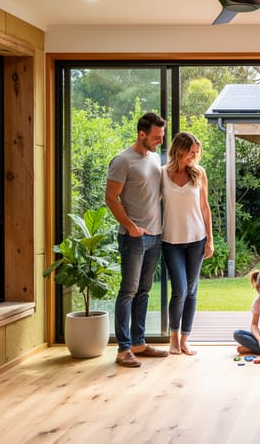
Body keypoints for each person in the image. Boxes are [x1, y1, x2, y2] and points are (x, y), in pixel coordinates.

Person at [105, 112, 168, 368]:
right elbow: (111, 197)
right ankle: (123, 349)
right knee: (129, 291)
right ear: (141, 134)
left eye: (161, 137)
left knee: (144, 291)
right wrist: (130, 226)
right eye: (155, 137)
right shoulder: (123, 160)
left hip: (155, 236)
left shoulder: (154, 158)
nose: (159, 142)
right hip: (133, 238)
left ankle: (139, 343)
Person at [162, 131, 214, 356]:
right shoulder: (162, 174)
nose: (194, 156)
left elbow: (205, 207)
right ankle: (173, 337)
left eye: (196, 153)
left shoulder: (199, 173)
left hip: (196, 239)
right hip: (171, 240)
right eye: (191, 152)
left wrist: (210, 240)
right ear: (179, 150)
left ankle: (185, 339)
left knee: (192, 291)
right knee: (179, 290)